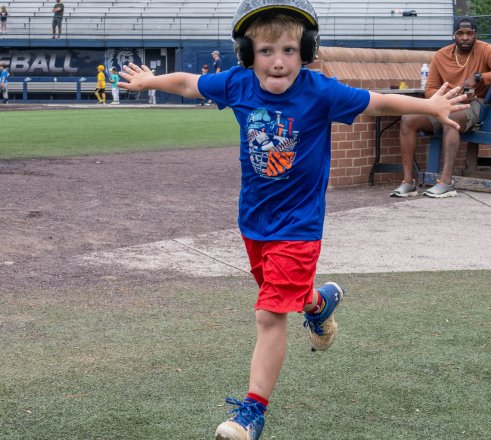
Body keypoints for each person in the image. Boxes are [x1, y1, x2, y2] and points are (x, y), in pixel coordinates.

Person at [117, 0, 466, 438]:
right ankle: (320, 305)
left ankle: (252, 412)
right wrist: (151, 80)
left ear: (305, 51)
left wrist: (431, 105)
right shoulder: (238, 85)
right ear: (248, 54)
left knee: (269, 314)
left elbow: (376, 102)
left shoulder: (320, 92)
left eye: (288, 50)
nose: (278, 62)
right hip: (254, 223)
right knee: (286, 296)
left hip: (299, 226)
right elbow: (190, 82)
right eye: (265, 51)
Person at [392, 16, 491, 198]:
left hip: (472, 104)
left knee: (450, 120)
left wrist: (479, 77)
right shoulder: (442, 55)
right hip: (444, 103)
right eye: (460, 33)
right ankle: (408, 182)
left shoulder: (485, 50)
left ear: (475, 35)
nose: (465, 37)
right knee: (408, 119)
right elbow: (430, 89)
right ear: (454, 35)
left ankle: (445, 182)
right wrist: (445, 98)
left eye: (469, 33)